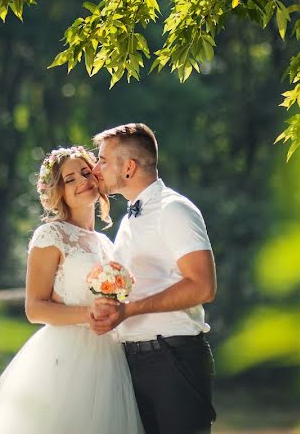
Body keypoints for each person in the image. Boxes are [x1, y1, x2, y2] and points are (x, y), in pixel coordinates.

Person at [0, 146, 144, 434]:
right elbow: (34, 308)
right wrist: (90, 314)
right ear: (58, 191)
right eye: (70, 179)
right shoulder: (51, 236)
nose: (82, 180)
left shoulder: (106, 244)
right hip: (65, 359)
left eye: (86, 172)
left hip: (109, 358)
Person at [89, 123, 218, 434]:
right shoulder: (130, 219)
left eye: (103, 159)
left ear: (129, 167)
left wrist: (130, 311)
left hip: (172, 360)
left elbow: (203, 286)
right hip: (130, 362)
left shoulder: (174, 210)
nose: (96, 168)